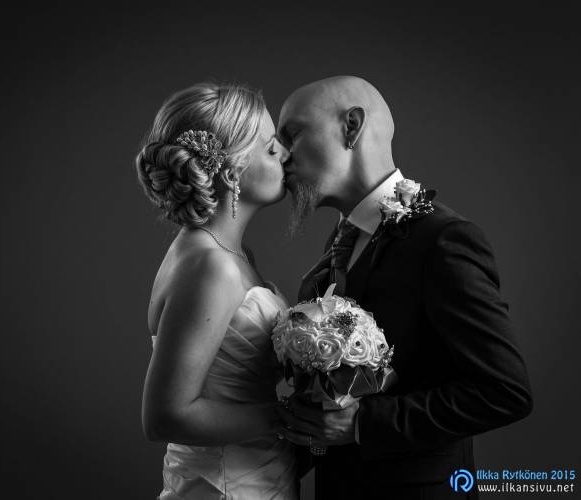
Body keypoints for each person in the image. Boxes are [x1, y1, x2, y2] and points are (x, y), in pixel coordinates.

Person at [275, 76, 533, 500]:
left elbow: (504, 391)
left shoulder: (443, 238)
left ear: (351, 127)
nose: (281, 155)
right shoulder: (341, 240)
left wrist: (364, 424)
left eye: (293, 135)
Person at [137, 82, 298, 499]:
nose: (286, 153)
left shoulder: (226, 253)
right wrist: (288, 417)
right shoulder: (212, 267)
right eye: (271, 148)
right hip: (224, 486)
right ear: (231, 172)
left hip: (260, 474)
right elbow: (166, 416)